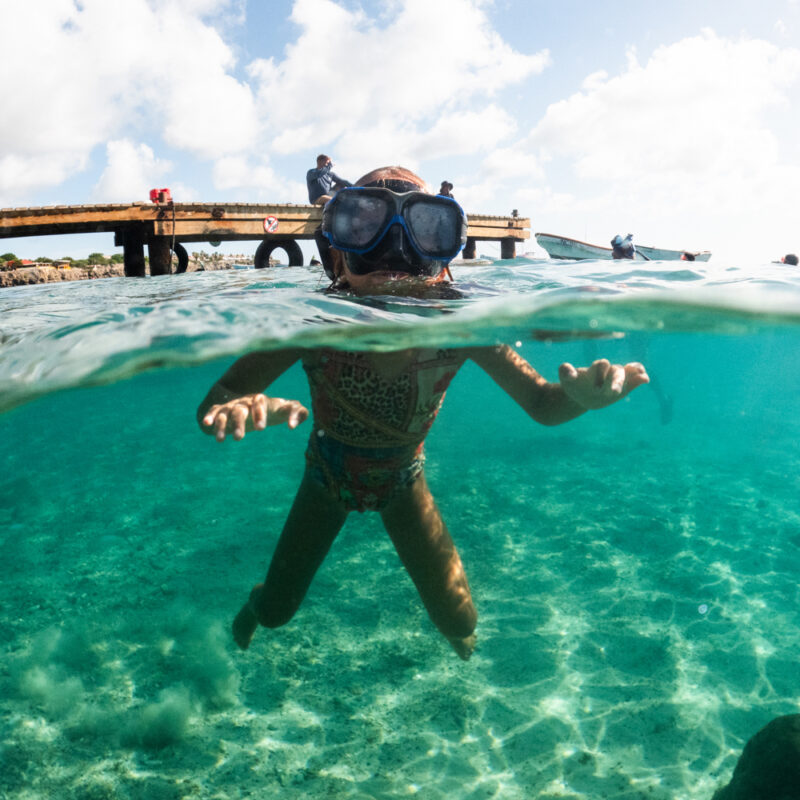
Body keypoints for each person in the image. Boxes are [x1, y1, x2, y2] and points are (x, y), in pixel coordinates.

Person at [198, 166, 650, 661]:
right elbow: (217, 398)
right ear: (338, 259)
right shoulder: (312, 325)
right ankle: (256, 607)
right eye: (364, 226)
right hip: (327, 475)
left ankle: (452, 629)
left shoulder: (465, 327)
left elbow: (542, 402)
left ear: (445, 264)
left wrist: (580, 399)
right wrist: (233, 405)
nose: (394, 252)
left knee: (461, 620)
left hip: (403, 480)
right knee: (276, 611)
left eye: (426, 231)